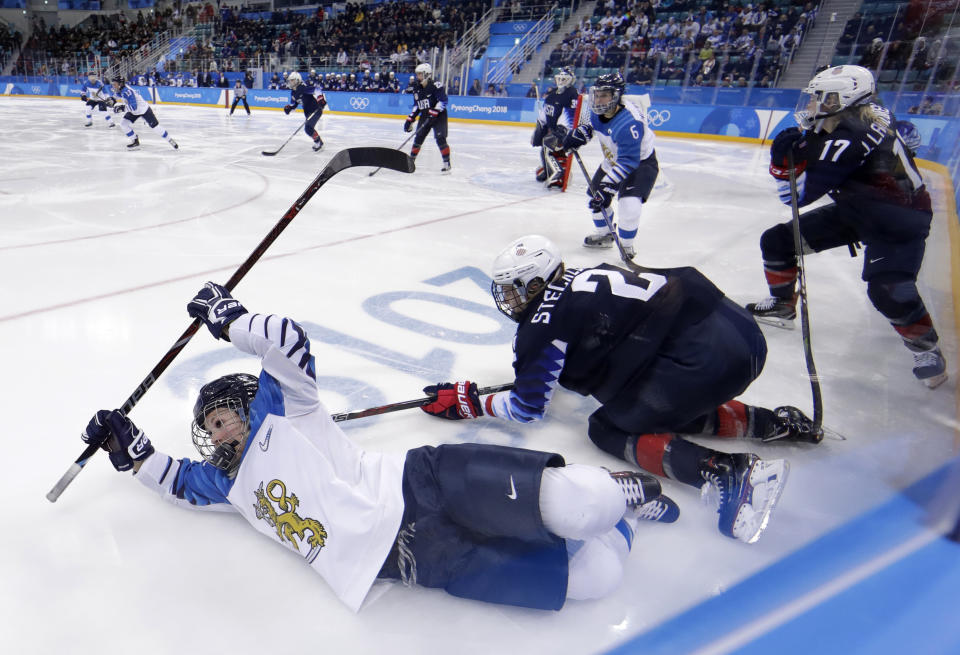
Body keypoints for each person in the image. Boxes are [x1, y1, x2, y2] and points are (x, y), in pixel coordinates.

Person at [80, 282, 681, 613]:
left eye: (223, 415)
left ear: (247, 405)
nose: (218, 430)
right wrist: (128, 447)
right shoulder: (224, 484)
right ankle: (625, 522)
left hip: (420, 484)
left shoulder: (284, 407)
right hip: (405, 561)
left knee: (578, 508)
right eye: (208, 427)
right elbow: (175, 481)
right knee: (595, 576)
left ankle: (622, 494)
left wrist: (229, 317)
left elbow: (286, 341)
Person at [419, 235, 823, 544]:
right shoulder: (582, 275)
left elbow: (527, 407)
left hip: (703, 362)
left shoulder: (541, 326)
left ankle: (728, 473)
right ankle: (774, 422)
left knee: (609, 426)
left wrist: (471, 401)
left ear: (536, 282)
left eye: (512, 288)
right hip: (741, 336)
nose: (506, 297)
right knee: (649, 397)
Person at [746, 65, 946, 389]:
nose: (812, 106)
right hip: (860, 211)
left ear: (846, 99)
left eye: (823, 99)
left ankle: (927, 349)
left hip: (897, 222)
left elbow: (794, 197)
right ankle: (783, 306)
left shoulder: (846, 140)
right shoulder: (870, 113)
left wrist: (782, 164)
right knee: (778, 241)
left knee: (888, 289)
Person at [560, 72, 659, 259]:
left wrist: (608, 187)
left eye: (604, 95)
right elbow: (594, 126)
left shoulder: (629, 123)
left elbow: (629, 161)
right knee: (595, 198)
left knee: (629, 204)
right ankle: (605, 235)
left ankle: (627, 246)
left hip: (641, 164)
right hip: (614, 160)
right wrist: (580, 135)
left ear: (617, 96)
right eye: (597, 94)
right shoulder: (599, 110)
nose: (598, 99)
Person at [531, 66, 578, 189]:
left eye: (565, 79)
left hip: (566, 133)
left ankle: (557, 172)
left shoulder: (573, 95)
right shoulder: (551, 96)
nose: (561, 81)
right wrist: (539, 131)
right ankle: (548, 171)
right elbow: (544, 115)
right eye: (560, 78)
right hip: (554, 131)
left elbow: (571, 114)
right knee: (544, 148)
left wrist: (563, 129)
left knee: (547, 147)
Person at [403, 63, 452, 174]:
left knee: (440, 138)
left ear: (427, 74)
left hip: (439, 116)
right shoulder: (416, 87)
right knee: (418, 137)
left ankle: (447, 164)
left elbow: (443, 100)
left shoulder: (436, 85)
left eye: (420, 74)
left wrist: (434, 112)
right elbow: (417, 105)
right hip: (425, 115)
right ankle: (411, 161)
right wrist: (410, 119)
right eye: (417, 74)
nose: (417, 76)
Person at [109, 75, 178, 150]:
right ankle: (135, 140)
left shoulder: (127, 91)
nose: (113, 85)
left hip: (143, 110)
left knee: (155, 127)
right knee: (123, 124)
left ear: (120, 84)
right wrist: (111, 100)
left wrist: (121, 108)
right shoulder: (121, 89)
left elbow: (133, 107)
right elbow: (116, 96)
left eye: (115, 84)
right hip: (134, 112)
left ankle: (170, 140)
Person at [283, 71, 326, 152]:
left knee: (308, 128)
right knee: (309, 128)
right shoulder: (293, 92)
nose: (290, 82)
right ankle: (319, 142)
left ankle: (319, 143)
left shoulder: (303, 88)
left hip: (315, 110)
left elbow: (317, 90)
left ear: (297, 80)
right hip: (308, 113)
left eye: (292, 80)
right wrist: (289, 108)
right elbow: (294, 104)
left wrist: (321, 99)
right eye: (290, 80)